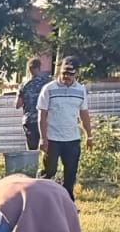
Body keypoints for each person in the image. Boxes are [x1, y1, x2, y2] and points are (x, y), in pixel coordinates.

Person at [37, 57, 91, 199]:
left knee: (70, 173)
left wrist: (89, 135)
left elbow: (84, 114)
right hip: (52, 138)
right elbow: (42, 115)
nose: (66, 76)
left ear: (76, 73)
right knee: (50, 171)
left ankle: (68, 202)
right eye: (64, 73)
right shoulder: (49, 89)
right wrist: (43, 138)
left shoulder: (80, 90)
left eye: (70, 74)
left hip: (72, 138)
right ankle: (42, 198)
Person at [15, 59, 50, 151]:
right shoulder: (47, 83)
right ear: (40, 67)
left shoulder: (24, 85)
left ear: (28, 69)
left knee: (32, 151)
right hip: (46, 120)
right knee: (47, 149)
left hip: (30, 121)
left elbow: (18, 104)